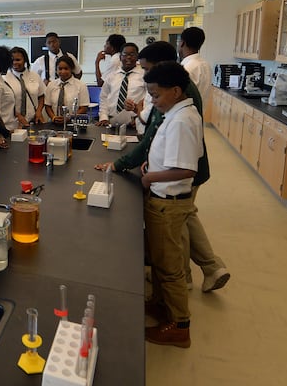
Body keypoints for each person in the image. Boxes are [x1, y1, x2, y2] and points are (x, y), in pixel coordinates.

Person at [94, 41, 229, 294]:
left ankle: (181, 278)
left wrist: (124, 164)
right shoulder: (175, 91)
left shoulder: (177, 98)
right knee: (186, 216)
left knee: (176, 224)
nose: (144, 74)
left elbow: (154, 134)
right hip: (174, 162)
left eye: (146, 68)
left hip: (179, 167)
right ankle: (209, 268)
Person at [139, 61, 204, 348]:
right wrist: (151, 164)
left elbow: (187, 169)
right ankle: (160, 305)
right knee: (159, 259)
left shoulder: (181, 120)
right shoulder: (178, 113)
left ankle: (179, 325)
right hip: (162, 199)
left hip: (168, 203)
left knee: (169, 267)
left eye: (155, 95)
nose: (152, 101)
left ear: (176, 91)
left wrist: (151, 176)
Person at [97, 43, 145, 127]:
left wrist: (140, 116)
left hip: (135, 122)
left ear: (137, 57)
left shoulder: (144, 75)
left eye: (132, 54)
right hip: (111, 121)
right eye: (125, 54)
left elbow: (149, 100)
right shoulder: (111, 76)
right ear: (120, 57)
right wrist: (103, 117)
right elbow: (103, 98)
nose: (128, 57)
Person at [5, 46, 46, 127]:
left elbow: (41, 96)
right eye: (12, 60)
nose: (14, 63)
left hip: (34, 121)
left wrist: (38, 112)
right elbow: (6, 102)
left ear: (25, 60)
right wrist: (18, 116)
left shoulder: (35, 76)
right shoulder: (5, 78)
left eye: (18, 60)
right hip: (14, 122)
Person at [44, 56, 90, 123]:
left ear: (71, 69)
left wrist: (69, 118)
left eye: (66, 68)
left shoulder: (81, 85)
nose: (63, 71)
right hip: (54, 123)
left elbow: (83, 108)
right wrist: (53, 117)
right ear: (56, 70)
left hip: (72, 123)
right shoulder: (51, 85)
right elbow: (48, 106)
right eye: (60, 69)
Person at [179, 27, 212, 112]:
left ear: (182, 43)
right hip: (198, 115)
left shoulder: (187, 68)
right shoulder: (205, 65)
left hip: (186, 116)